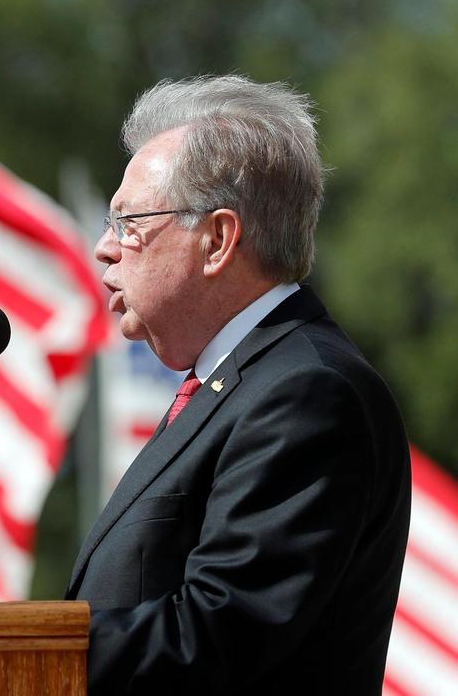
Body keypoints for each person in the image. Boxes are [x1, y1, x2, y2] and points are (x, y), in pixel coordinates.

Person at [65, 76, 410, 695]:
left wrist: (8, 655)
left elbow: (219, 632)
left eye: (128, 223)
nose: (103, 249)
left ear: (218, 240)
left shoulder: (307, 395)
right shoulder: (240, 382)